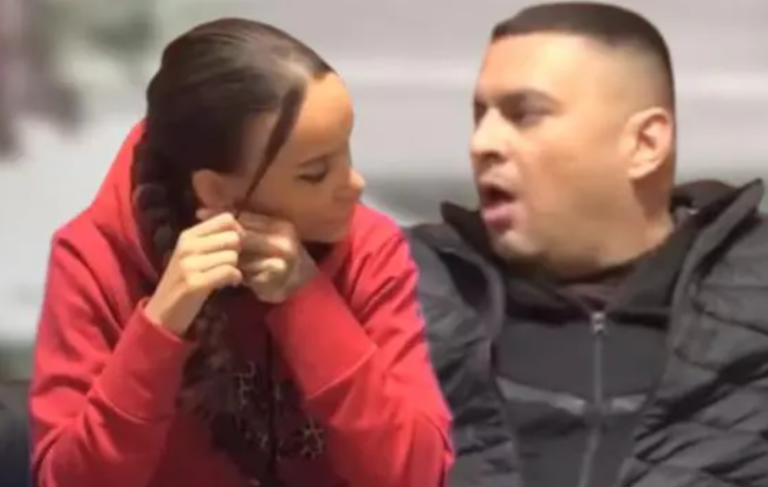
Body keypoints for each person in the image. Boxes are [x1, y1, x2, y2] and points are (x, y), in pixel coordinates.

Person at [30, 18, 452, 487]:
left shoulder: (370, 249)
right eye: (315, 174)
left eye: (345, 152)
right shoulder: (93, 259)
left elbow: (416, 474)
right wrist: (159, 327)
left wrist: (309, 303)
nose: (354, 185)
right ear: (215, 190)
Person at [407, 3, 768, 487]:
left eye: (524, 114)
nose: (483, 143)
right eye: (480, 116)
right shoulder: (402, 285)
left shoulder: (756, 284)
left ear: (645, 144)